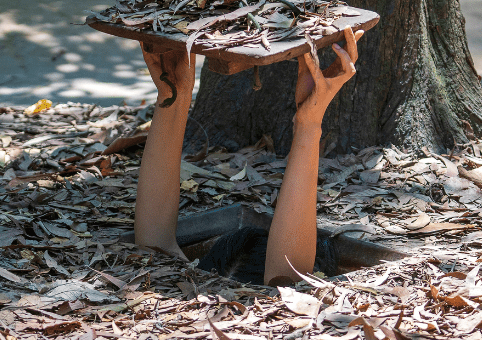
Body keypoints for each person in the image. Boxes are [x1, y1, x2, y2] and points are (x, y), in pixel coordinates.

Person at [133, 26, 364, 286]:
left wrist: (172, 96)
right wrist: (308, 122)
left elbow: (154, 244)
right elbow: (287, 281)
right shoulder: (285, 315)